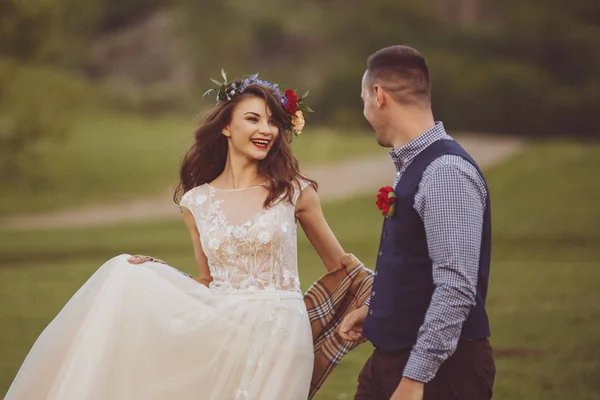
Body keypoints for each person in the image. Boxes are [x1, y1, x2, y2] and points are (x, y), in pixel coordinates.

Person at [6, 74, 351, 400]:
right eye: (253, 119)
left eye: (274, 121)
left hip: (283, 335)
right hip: (225, 332)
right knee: (123, 271)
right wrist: (156, 275)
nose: (267, 130)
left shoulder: (294, 192)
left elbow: (342, 268)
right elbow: (207, 281)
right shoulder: (196, 201)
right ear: (227, 127)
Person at [339, 45, 496, 400]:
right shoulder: (416, 166)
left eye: (363, 99)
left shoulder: (445, 173)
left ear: (379, 96)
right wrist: (378, 313)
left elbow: (456, 286)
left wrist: (414, 379)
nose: (365, 110)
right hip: (393, 360)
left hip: (441, 373)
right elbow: (415, 262)